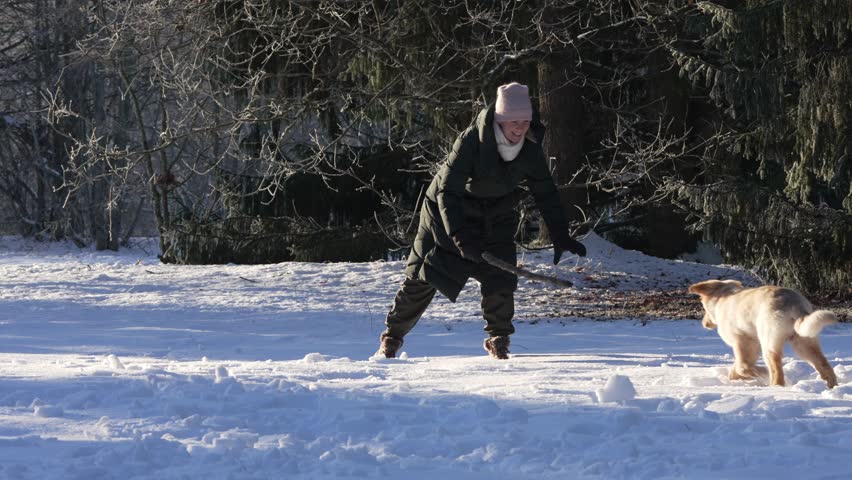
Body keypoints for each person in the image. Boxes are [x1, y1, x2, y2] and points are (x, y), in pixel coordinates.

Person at [376, 82, 586, 360]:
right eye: (514, 121)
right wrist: (460, 236)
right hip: (448, 213)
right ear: (500, 120)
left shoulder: (530, 147)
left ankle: (498, 339)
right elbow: (447, 192)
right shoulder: (471, 141)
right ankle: (392, 337)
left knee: (501, 276)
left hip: (495, 216)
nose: (520, 127)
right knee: (427, 274)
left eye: (525, 120)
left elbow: (545, 191)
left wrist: (560, 233)